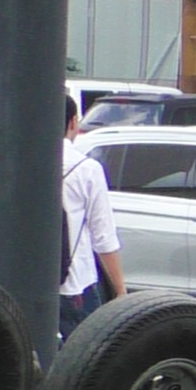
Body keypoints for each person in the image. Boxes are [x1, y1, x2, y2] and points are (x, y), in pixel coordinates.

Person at [60, 94, 124, 337]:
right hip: (74, 284)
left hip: (24, 287)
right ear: (73, 123)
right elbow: (104, 237)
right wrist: (120, 292)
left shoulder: (20, 164)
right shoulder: (86, 169)